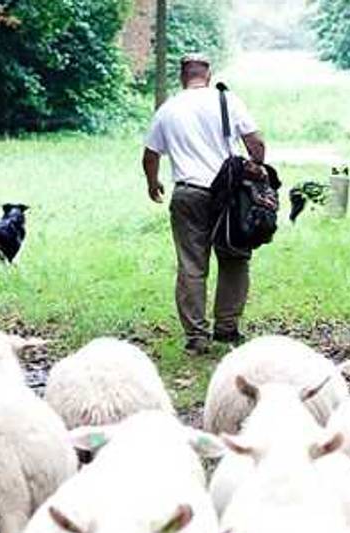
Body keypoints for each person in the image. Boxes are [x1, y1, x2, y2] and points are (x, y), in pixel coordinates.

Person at [143, 53, 266, 355]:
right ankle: (226, 328)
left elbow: (149, 155)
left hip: (188, 193)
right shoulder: (228, 100)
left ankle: (197, 337)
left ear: (182, 76)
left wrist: (153, 183)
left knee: (191, 266)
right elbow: (256, 143)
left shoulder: (167, 109)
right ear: (208, 75)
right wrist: (256, 169)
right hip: (229, 194)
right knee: (234, 258)